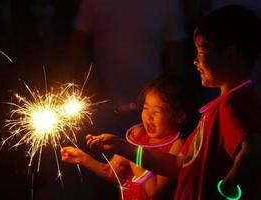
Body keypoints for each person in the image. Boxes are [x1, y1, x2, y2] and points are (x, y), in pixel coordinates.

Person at [86, 5, 261, 200]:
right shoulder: (220, 108)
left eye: (202, 51)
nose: (195, 60)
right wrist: (124, 148)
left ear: (230, 55)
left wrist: (229, 186)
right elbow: (180, 164)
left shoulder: (233, 104)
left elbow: (254, 148)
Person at [61, 76, 197, 199]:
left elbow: (155, 191)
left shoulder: (178, 145)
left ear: (179, 116)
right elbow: (112, 173)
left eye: (156, 111)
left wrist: (130, 153)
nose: (148, 116)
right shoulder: (137, 134)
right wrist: (83, 158)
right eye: (145, 108)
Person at [65, 0, 188, 134]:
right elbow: (78, 41)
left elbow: (176, 52)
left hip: (151, 110)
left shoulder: (166, 3)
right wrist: (88, 83)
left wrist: (170, 99)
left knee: (144, 154)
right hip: (103, 106)